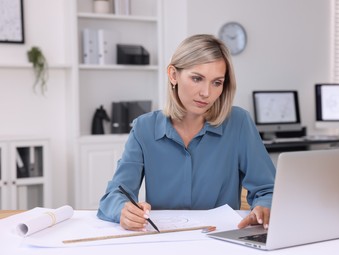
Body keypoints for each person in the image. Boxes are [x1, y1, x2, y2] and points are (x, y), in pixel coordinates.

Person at [97, 34, 276, 231]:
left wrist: (264, 207)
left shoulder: (239, 123)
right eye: (197, 78)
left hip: (222, 242)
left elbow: (268, 189)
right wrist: (123, 210)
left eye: (216, 82)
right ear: (173, 75)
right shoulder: (144, 128)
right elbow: (114, 195)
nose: (206, 93)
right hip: (166, 242)